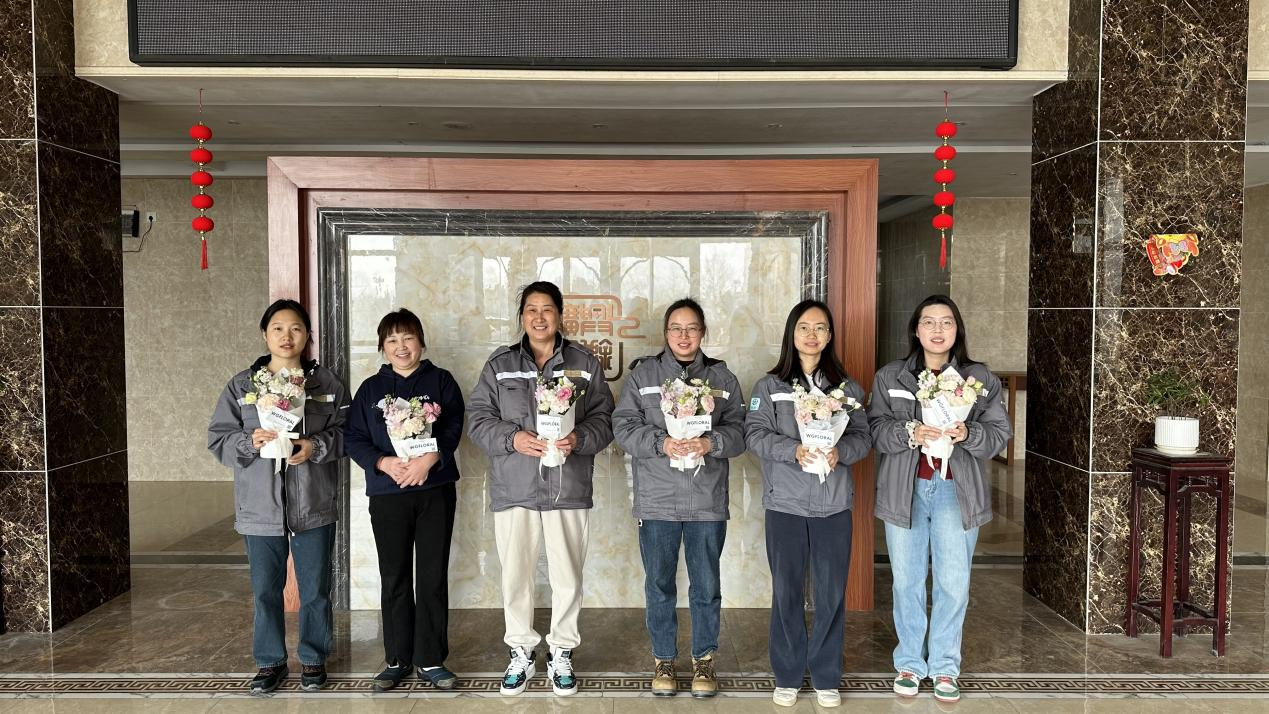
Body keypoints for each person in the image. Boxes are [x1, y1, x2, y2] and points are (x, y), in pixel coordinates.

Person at [468, 281, 615, 697]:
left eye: (547, 309)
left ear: (560, 316)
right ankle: (520, 650)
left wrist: (579, 438)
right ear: (522, 317)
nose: (539, 317)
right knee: (516, 576)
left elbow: (605, 418)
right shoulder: (500, 365)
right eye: (531, 309)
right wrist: (512, 438)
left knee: (568, 575)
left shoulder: (584, 363)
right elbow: (478, 419)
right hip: (515, 488)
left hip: (567, 487)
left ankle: (562, 651)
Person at [867, 294, 1012, 704]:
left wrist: (969, 433)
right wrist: (909, 432)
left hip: (956, 490)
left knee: (953, 582)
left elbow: (999, 433)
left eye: (946, 322)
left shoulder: (978, 378)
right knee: (907, 581)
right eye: (928, 322)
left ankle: (946, 666)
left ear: (956, 330)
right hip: (906, 489)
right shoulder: (891, 377)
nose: (937, 329)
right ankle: (910, 663)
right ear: (916, 330)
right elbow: (874, 428)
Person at [207, 299, 348, 694]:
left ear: (307, 335)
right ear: (265, 335)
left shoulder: (326, 384)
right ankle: (269, 662)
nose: (287, 337)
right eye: (278, 329)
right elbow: (218, 438)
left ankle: (314, 658)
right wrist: (248, 442)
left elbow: (349, 432)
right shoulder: (242, 386)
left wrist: (315, 447)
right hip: (259, 506)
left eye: (296, 329)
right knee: (266, 589)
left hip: (313, 502)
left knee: (315, 588)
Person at [612, 298, 746, 698]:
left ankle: (704, 659)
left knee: (706, 585)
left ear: (702, 333)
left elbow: (741, 431)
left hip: (706, 500)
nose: (683, 336)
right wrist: (661, 443)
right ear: (665, 333)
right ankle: (664, 660)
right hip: (657, 500)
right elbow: (623, 426)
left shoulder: (722, 378)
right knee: (659, 584)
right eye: (676, 328)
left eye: (691, 328)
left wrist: (711, 442)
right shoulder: (643, 376)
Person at [744, 299, 871, 708]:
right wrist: (793, 450)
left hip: (833, 506)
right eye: (804, 327)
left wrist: (841, 453)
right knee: (787, 591)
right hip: (785, 503)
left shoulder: (847, 389)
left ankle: (826, 676)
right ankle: (787, 674)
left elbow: (864, 438)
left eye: (820, 328)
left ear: (829, 336)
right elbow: (754, 435)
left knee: (832, 593)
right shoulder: (770, 387)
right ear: (792, 334)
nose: (812, 335)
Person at [343, 308, 465, 692]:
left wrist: (431, 459)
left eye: (408, 337)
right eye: (392, 340)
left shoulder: (441, 381)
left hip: (435, 491)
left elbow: (454, 426)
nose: (401, 346)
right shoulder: (370, 390)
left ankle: (431, 659)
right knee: (394, 576)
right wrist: (383, 463)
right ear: (383, 347)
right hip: (388, 495)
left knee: (431, 576)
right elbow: (353, 438)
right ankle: (396, 659)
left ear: (421, 342)